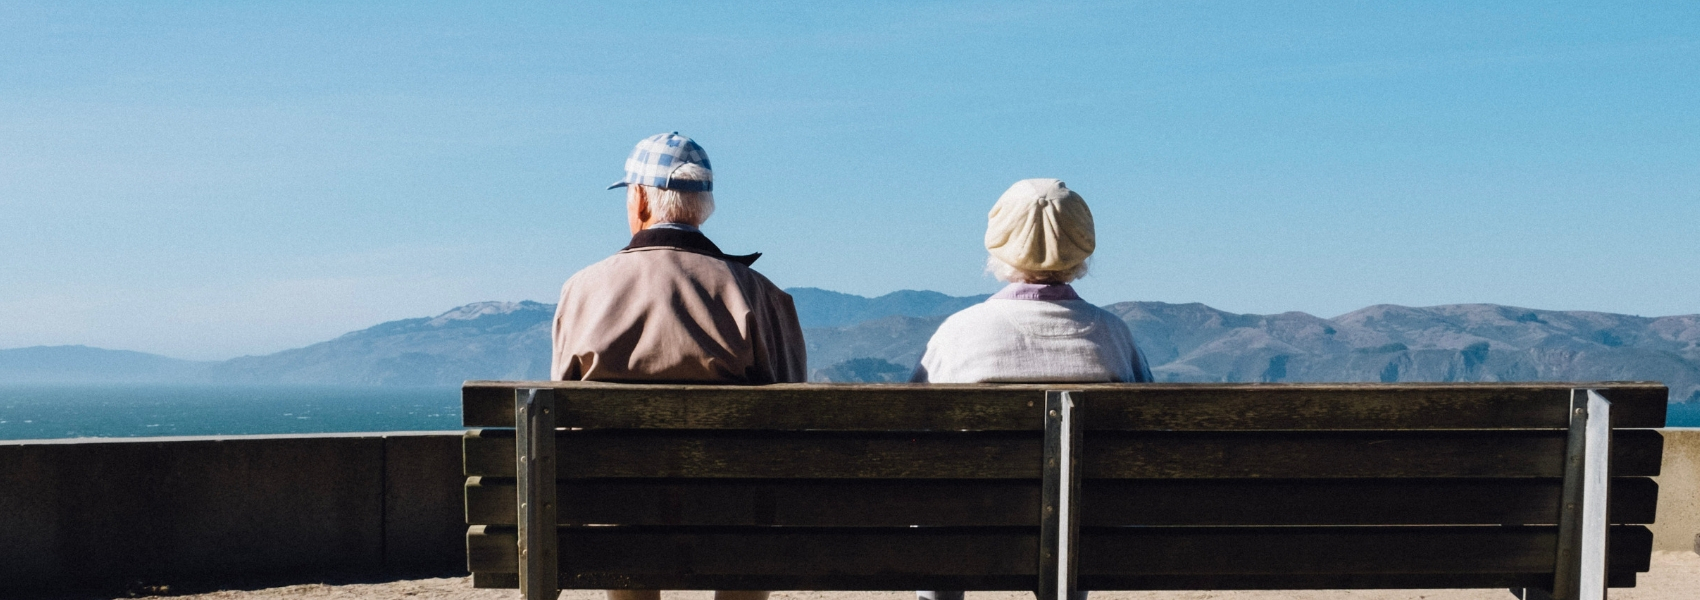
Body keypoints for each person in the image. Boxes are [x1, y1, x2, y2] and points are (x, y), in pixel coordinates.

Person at [552, 132, 806, 600]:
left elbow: (563, 422)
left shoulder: (583, 290)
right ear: (704, 207)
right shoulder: (760, 295)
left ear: (642, 199)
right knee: (751, 512)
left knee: (622, 504)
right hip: (733, 522)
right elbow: (793, 420)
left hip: (618, 518)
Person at [913, 179, 1152, 600]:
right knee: (1073, 517)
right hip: (1087, 536)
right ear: (1083, 246)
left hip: (972, 532)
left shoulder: (960, 332)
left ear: (998, 244)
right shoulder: (1114, 335)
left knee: (936, 507)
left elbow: (913, 437)